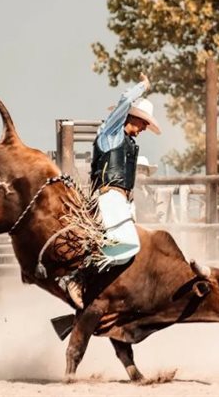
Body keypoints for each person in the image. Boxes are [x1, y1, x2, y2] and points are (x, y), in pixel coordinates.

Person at [65, 74, 161, 308]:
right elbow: (125, 100)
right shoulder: (111, 133)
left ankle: (98, 293)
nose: (144, 128)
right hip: (109, 197)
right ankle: (78, 278)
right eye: (144, 122)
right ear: (132, 116)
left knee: (131, 248)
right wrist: (143, 86)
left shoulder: (125, 140)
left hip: (120, 201)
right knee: (127, 245)